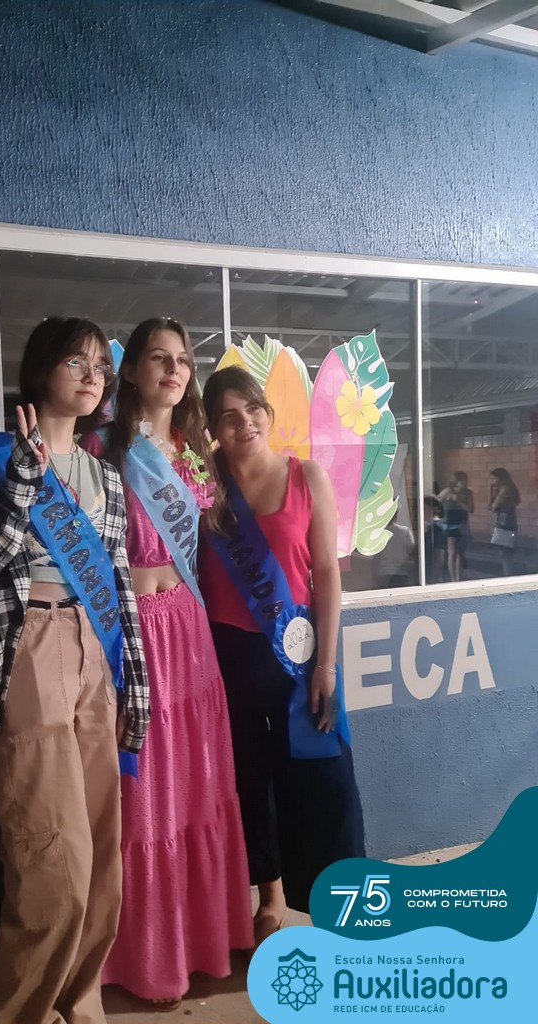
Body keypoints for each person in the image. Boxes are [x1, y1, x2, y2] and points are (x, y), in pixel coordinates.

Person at [0, 316, 149, 1024]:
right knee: (50, 859)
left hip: (96, 649)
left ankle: (80, 1005)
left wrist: (135, 678)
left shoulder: (104, 475)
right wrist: (25, 487)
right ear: (41, 372)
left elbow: (118, 583)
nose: (93, 377)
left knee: (100, 857)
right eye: (76, 363)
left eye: (100, 367)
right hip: (25, 644)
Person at [83, 317, 253, 1011]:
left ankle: (202, 939)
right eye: (158, 357)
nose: (173, 370)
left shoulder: (193, 451)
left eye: (182, 360)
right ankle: (141, 955)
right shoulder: (101, 447)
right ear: (130, 370)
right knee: (143, 792)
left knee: (195, 783)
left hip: (188, 628)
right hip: (131, 628)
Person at [198, 365, 365, 929]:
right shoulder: (202, 487)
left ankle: (341, 899)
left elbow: (327, 574)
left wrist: (327, 665)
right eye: (228, 416)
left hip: (299, 657)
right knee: (251, 778)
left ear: (267, 413)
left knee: (327, 779)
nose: (244, 423)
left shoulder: (306, 476)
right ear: (213, 429)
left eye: (252, 409)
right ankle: (268, 899)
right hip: (227, 656)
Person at [437, 471, 474, 582]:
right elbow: (436, 501)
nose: (464, 483)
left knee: (461, 552)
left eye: (465, 481)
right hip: (450, 525)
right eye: (461, 481)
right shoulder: (448, 491)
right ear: (456, 482)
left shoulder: (468, 493)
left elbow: (471, 509)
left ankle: (459, 577)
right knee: (452, 552)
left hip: (462, 523)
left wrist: (459, 501)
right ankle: (453, 578)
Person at [489, 467, 520, 577]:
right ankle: (508, 574)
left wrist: (492, 492)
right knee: (507, 552)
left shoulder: (505, 490)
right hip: (510, 523)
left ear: (500, 478)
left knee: (505, 553)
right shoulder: (510, 488)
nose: (492, 481)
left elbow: (493, 506)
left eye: (494, 479)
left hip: (504, 524)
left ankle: (508, 575)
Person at [374, 510, 416, 589]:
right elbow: (411, 549)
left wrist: (374, 576)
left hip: (384, 572)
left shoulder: (378, 533)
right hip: (401, 572)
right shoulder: (404, 531)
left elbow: (376, 557)